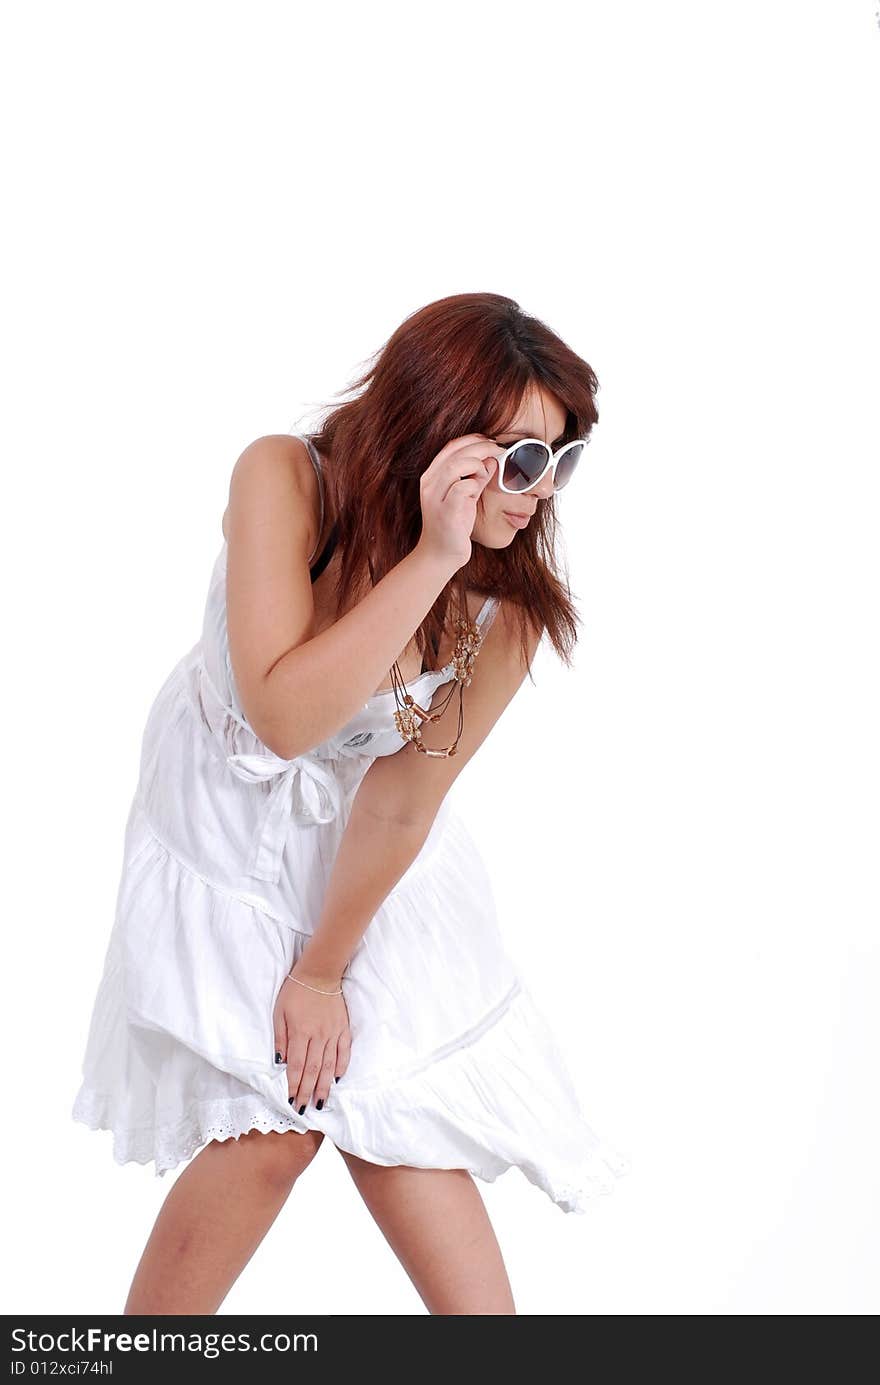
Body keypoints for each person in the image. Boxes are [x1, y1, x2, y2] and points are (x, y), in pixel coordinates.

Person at [71, 291, 630, 1316]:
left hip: (368, 851)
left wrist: (325, 966)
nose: (538, 491)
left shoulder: (509, 609)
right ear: (434, 432)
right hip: (227, 818)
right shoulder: (283, 474)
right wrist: (428, 558)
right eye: (518, 459)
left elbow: (402, 803)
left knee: (403, 1109)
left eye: (561, 458)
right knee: (274, 1131)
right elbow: (282, 715)